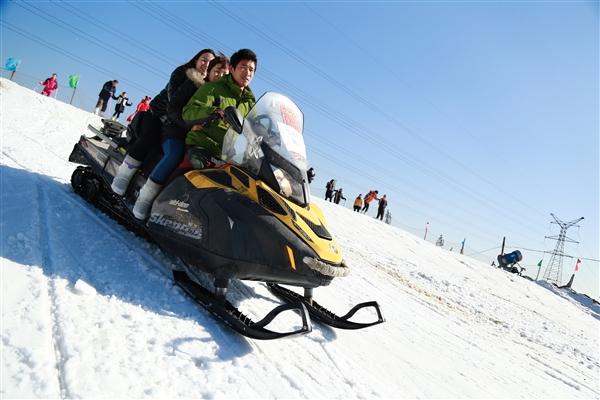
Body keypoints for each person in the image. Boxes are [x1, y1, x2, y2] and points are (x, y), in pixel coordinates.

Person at [110, 48, 216, 203]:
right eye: (204, 60)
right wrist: (195, 81)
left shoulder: (208, 87)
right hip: (157, 115)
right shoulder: (183, 73)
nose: (206, 64)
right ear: (196, 60)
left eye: (210, 62)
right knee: (150, 138)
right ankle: (123, 175)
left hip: (176, 124)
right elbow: (173, 101)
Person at [183, 48, 257, 171]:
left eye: (251, 69)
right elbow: (188, 112)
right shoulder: (213, 88)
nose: (248, 72)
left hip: (227, 155)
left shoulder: (250, 102)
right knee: (202, 179)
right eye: (243, 67)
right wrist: (213, 112)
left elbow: (256, 127)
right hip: (202, 146)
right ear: (232, 68)